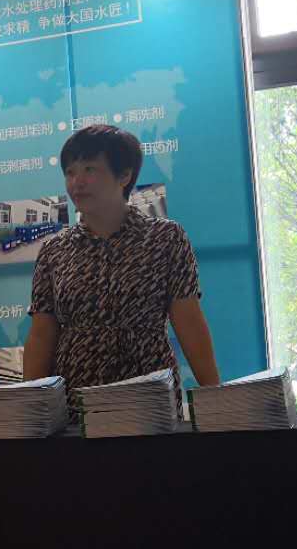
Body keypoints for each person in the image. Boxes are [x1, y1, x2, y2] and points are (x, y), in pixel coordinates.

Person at [24, 124, 219, 391]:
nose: (77, 182)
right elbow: (41, 335)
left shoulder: (166, 238)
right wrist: (32, 404)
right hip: (77, 400)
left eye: (89, 169)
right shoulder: (54, 250)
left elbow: (189, 322)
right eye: (70, 172)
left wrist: (215, 394)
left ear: (124, 175)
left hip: (150, 395)